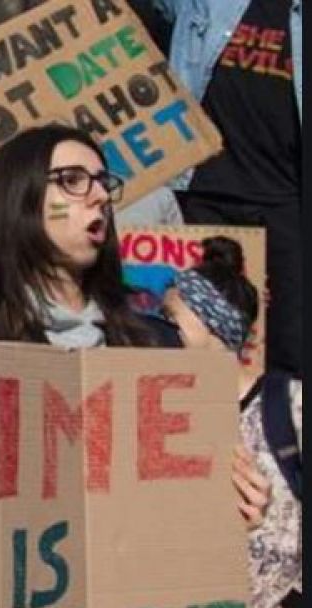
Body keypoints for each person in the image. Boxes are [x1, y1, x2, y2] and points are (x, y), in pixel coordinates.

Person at [160, 236, 302, 608]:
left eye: (172, 319)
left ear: (213, 324)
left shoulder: (289, 403)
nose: (160, 330)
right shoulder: (162, 412)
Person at [145, 0, 302, 376]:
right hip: (202, 192)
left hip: (285, 200)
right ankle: (206, 424)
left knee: (290, 345)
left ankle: (278, 431)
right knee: (196, 334)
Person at [0, 124, 180, 347]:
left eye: (103, 182)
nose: (102, 196)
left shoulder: (155, 342)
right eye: (72, 180)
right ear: (18, 198)